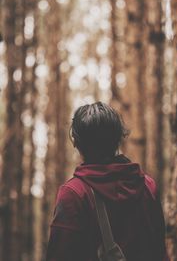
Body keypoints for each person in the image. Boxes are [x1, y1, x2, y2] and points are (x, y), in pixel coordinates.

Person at [46, 101, 169, 261]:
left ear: (76, 142)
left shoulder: (73, 194)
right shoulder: (148, 186)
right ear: (119, 138)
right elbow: (160, 252)